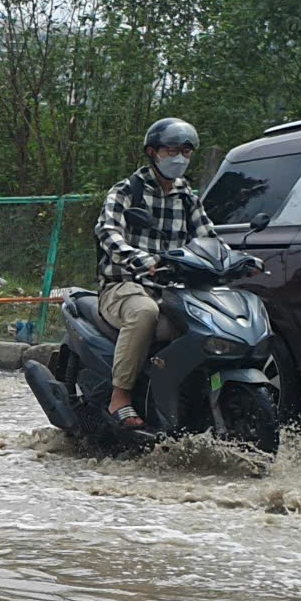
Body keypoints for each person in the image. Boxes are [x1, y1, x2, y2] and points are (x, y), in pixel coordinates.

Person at [93, 119, 217, 429]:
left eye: (186, 150)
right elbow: (107, 231)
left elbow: (209, 237)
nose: (180, 157)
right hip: (124, 287)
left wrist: (237, 260)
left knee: (204, 324)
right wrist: (138, 258)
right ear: (153, 152)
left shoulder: (188, 196)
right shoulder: (127, 190)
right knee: (145, 312)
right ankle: (119, 396)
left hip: (173, 290)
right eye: (172, 150)